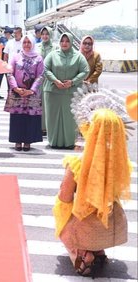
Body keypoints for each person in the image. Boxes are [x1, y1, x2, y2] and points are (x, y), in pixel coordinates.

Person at [53, 105, 131, 276]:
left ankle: (83, 253)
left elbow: (64, 196)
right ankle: (99, 251)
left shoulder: (77, 164)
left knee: (62, 208)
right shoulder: (121, 164)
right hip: (112, 227)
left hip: (85, 227)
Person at [43, 33, 89, 149]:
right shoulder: (52, 55)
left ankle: (69, 142)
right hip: (53, 91)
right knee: (52, 117)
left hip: (71, 93)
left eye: (67, 41)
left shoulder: (78, 56)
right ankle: (53, 141)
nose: (64, 43)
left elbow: (85, 71)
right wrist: (55, 80)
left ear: (71, 42)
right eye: (62, 41)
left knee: (70, 119)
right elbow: (45, 68)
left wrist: (72, 82)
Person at [4, 35, 44, 151]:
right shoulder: (16, 57)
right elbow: (9, 73)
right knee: (17, 117)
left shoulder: (38, 58)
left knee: (30, 117)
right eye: (24, 42)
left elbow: (41, 75)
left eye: (29, 42)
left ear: (32, 43)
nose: (26, 44)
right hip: (17, 93)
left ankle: (28, 141)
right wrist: (15, 88)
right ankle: (17, 140)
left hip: (31, 93)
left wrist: (31, 90)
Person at [37, 26, 58, 136]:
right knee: (38, 103)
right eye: (43, 34)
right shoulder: (36, 47)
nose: (45, 36)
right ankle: (39, 127)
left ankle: (48, 127)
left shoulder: (55, 48)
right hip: (38, 79)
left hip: (50, 79)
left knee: (48, 104)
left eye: (47, 34)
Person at [0, 27, 13, 100]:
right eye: (10, 35)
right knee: (8, 77)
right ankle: (9, 93)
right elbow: (7, 48)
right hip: (3, 62)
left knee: (0, 78)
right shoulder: (4, 40)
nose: (10, 36)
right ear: (7, 34)